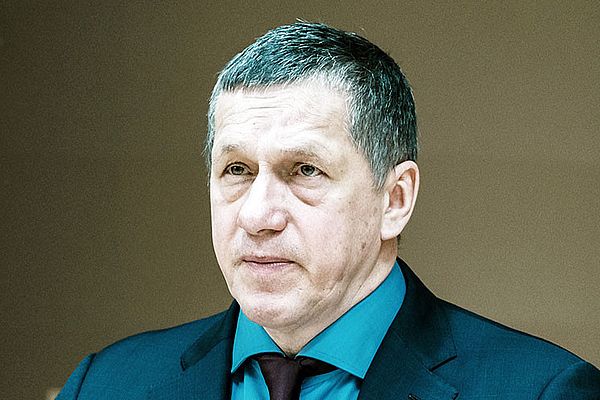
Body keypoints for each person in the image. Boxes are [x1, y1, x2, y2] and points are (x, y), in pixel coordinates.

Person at [57, 21, 600, 400]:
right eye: (237, 170)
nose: (258, 216)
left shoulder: (542, 391)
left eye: (304, 171)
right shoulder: (104, 385)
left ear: (395, 199)